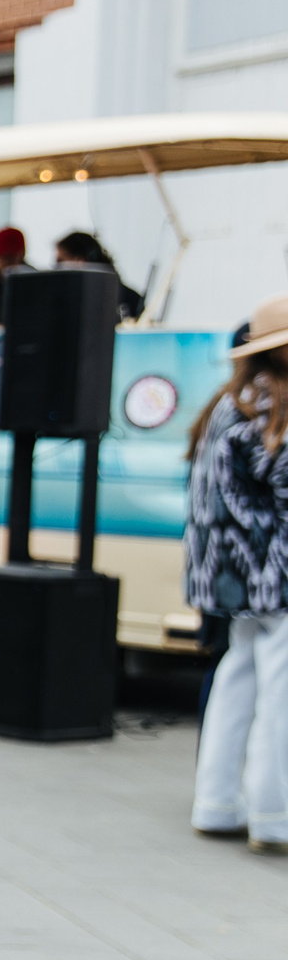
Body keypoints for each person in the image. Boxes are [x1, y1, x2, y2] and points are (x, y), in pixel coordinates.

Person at [186, 295, 288, 853]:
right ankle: (275, 814)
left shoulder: (233, 401)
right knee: (280, 693)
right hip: (276, 571)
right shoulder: (278, 406)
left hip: (232, 575)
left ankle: (218, 802)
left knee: (238, 677)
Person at [56, 230, 147, 320]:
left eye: (60, 261)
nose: (56, 267)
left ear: (79, 261)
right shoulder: (129, 297)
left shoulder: (75, 303)